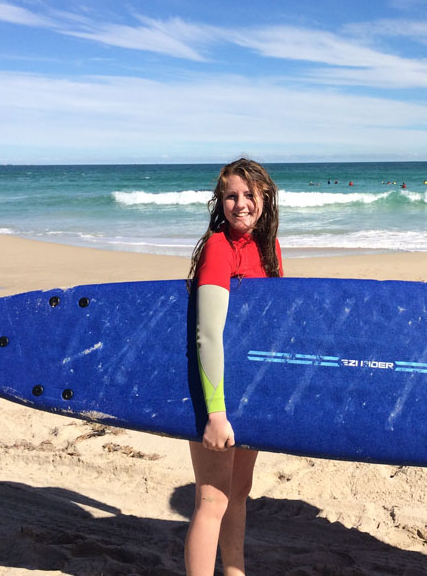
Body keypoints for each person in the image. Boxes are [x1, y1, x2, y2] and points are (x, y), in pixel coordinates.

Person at [184, 158, 283, 576]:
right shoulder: (219, 249)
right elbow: (207, 335)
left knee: (239, 494)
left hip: (248, 390)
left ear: (265, 197)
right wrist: (216, 413)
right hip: (215, 396)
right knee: (212, 501)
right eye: (230, 196)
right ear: (219, 202)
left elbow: (268, 329)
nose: (240, 204)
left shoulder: (269, 248)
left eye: (248, 195)